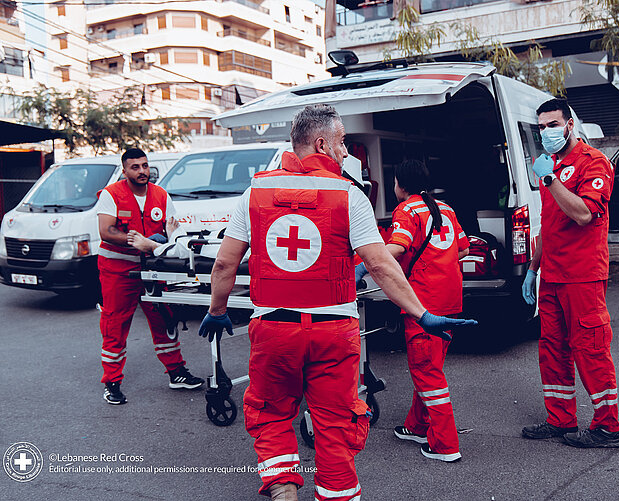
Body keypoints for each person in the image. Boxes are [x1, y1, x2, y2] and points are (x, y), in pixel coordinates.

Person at [198, 105, 476, 501]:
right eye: (344, 142)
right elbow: (380, 264)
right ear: (322, 143)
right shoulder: (349, 195)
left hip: (273, 330)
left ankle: (283, 491)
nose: (347, 153)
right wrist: (422, 313)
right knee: (334, 425)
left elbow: (226, 262)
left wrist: (217, 310)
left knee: (272, 414)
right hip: (333, 333)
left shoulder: (253, 192)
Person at [521, 98, 619, 448]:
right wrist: (533, 269)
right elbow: (549, 228)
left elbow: (582, 214)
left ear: (569, 124)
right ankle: (560, 419)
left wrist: (549, 178)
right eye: (541, 128)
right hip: (551, 275)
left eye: (552, 125)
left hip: (582, 276)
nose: (547, 132)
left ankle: (608, 427)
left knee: (590, 349)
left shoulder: (593, 163)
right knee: (552, 350)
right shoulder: (553, 165)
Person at [358, 159, 469, 462]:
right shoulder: (445, 208)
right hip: (449, 299)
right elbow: (463, 249)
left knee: (427, 372)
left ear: (400, 184)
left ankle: (445, 445)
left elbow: (397, 247)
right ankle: (417, 426)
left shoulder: (407, 210)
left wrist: (363, 265)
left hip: (423, 302)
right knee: (431, 366)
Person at [97, 148, 203, 405]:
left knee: (165, 320)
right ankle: (112, 382)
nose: (142, 171)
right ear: (125, 171)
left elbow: (172, 228)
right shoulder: (112, 195)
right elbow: (106, 232)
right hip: (118, 269)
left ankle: (176, 372)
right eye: (135, 167)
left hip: (154, 268)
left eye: (145, 165)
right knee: (115, 325)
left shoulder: (161, 195)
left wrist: (165, 241)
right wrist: (137, 241)